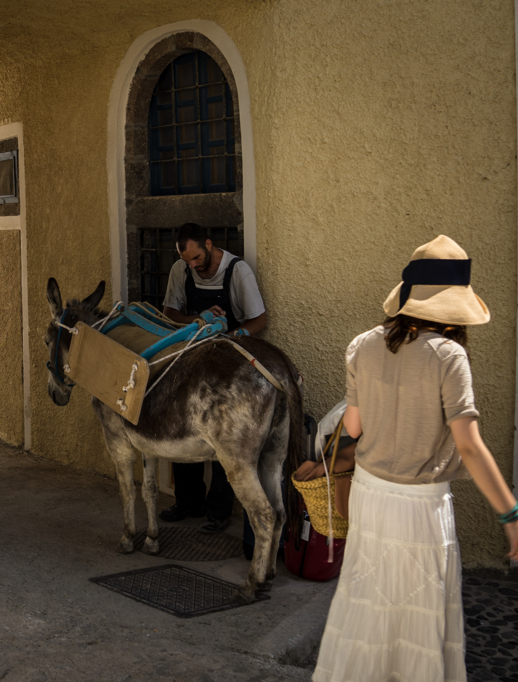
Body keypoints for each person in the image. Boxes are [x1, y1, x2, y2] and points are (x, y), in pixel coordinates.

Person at [312, 235, 518, 682]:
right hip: (421, 508)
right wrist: (511, 513)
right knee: (420, 619)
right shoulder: (450, 356)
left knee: (367, 605)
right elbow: (469, 445)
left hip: (370, 495)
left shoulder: (362, 345)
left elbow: (352, 429)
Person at [158, 222, 267, 533]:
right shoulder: (181, 271)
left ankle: (218, 511)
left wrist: (234, 335)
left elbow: (259, 319)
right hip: (191, 356)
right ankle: (187, 501)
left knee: (222, 433)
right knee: (181, 425)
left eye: (196, 258)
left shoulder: (237, 271)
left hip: (226, 359)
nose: (193, 265)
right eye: (187, 260)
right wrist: (196, 319)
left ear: (208, 243)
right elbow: (169, 312)